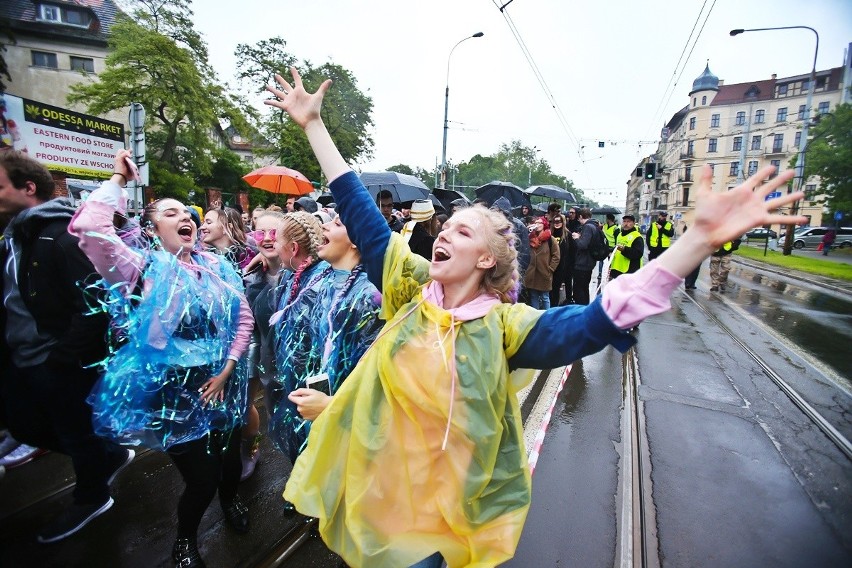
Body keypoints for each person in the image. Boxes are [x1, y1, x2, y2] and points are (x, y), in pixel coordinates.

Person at [265, 67, 804, 568]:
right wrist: (313, 125)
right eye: (445, 227)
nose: (445, 234)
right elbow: (359, 209)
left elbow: (596, 320)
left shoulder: (507, 327)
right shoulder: (409, 288)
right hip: (380, 484)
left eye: (463, 231)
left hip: (445, 508)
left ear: (487, 260)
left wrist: (694, 244)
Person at [69, 150, 254, 567]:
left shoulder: (218, 266)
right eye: (169, 214)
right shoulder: (141, 269)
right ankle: (185, 540)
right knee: (200, 480)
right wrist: (118, 180)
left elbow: (243, 320)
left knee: (228, 466)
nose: (184, 216)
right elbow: (89, 227)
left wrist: (228, 369)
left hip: (223, 385)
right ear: (154, 230)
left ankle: (232, 503)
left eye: (184, 211)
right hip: (175, 396)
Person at [0, 151, 133, 544]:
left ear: (28, 188)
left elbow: (94, 305)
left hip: (55, 360)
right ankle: (105, 455)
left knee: (74, 432)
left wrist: (62, 359)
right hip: (22, 359)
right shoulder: (16, 237)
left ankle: (92, 495)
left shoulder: (60, 235)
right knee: (23, 424)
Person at [266, 211, 382, 501]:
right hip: (310, 397)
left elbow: (369, 371)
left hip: (342, 411)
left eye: (338, 223)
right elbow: (298, 341)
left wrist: (335, 406)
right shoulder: (320, 280)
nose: (325, 226)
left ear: (356, 241)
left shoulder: (370, 294)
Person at [201, 206, 257, 271]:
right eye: (203, 222)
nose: (202, 227)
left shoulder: (251, 255)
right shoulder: (203, 259)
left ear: (227, 227)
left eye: (208, 222)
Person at [524, 216, 560, 309]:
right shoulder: (530, 237)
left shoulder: (550, 239)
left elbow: (556, 256)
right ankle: (535, 317)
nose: (537, 224)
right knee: (533, 296)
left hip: (544, 272)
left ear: (544, 225)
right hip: (532, 272)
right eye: (536, 222)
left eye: (540, 223)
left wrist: (551, 269)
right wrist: (526, 231)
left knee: (545, 297)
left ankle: (547, 316)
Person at [571, 208, 597, 305]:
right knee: (584, 288)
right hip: (588, 262)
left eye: (578, 218)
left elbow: (583, 245)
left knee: (579, 289)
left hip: (583, 263)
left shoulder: (588, 227)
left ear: (581, 217)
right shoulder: (594, 226)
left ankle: (580, 309)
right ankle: (584, 307)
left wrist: (577, 238)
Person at [609, 214, 644, 280]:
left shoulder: (637, 237)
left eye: (628, 221)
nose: (626, 223)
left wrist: (624, 249)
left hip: (629, 271)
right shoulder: (620, 235)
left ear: (633, 223)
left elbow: (638, 254)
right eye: (624, 221)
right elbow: (617, 250)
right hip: (617, 270)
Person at [549, 212, 571, 307]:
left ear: (563, 222)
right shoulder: (550, 233)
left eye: (559, 221)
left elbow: (572, 251)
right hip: (550, 265)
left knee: (556, 289)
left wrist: (569, 267)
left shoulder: (567, 234)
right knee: (550, 289)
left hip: (562, 266)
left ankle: (554, 307)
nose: (557, 223)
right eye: (555, 222)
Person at [682, 225, 700, 290]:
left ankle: (692, 283)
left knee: (696, 270)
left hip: (698, 254)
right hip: (689, 254)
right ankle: (687, 283)